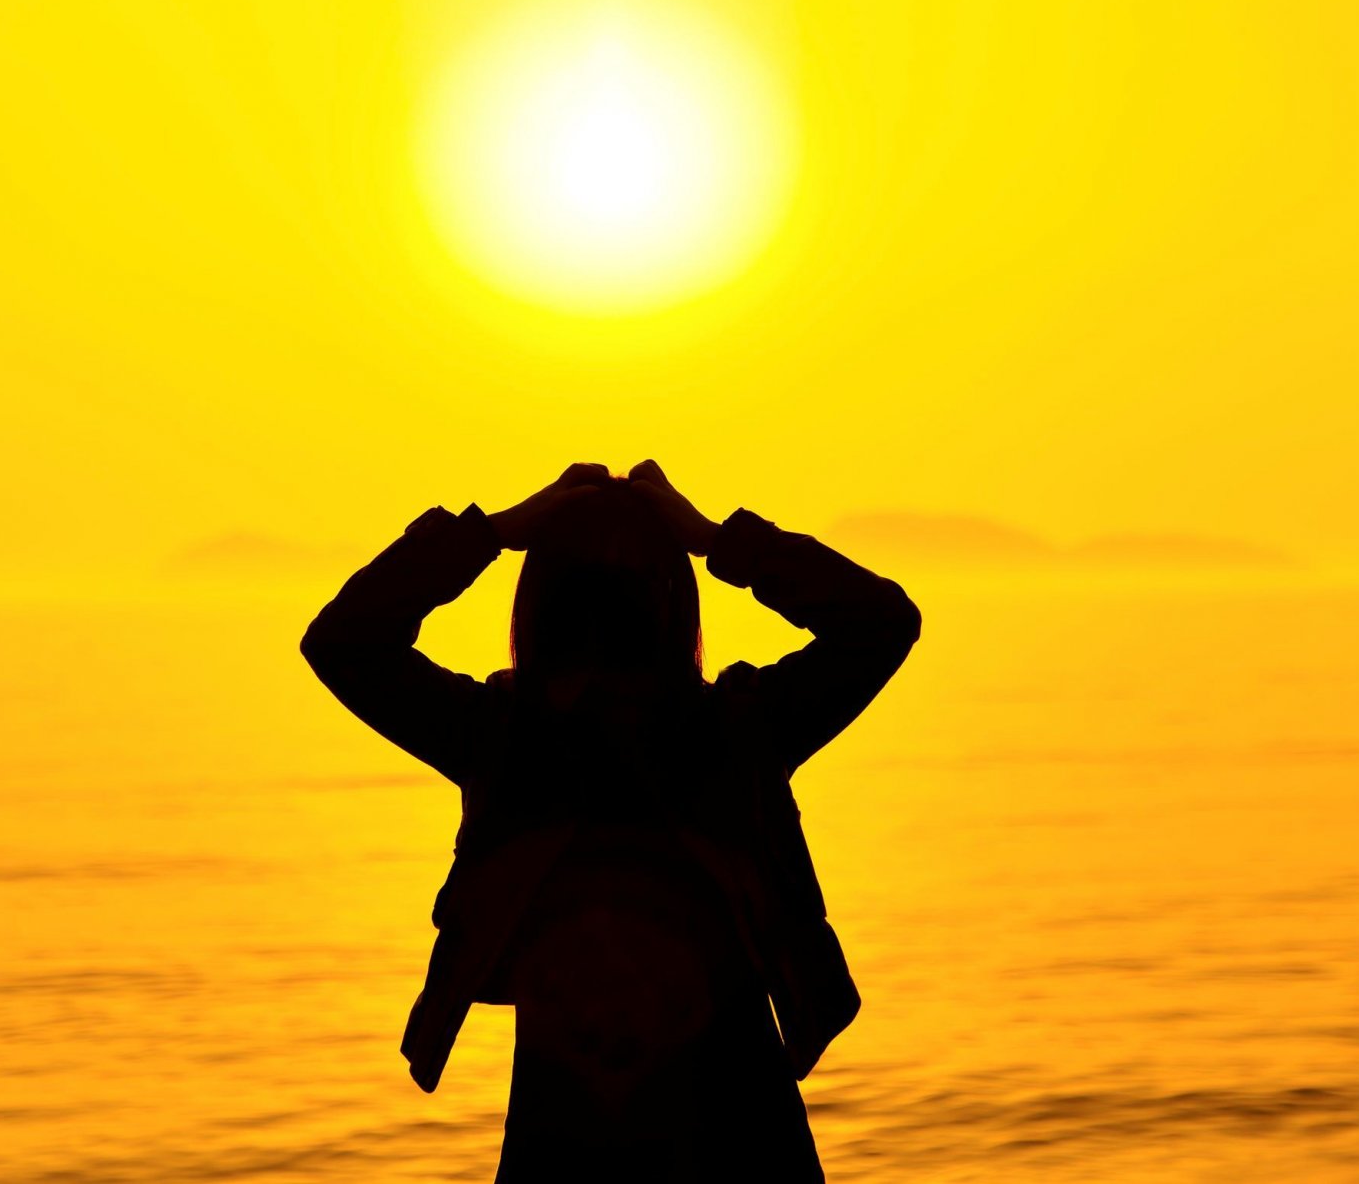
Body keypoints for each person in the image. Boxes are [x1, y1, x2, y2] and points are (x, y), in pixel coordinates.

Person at [300, 461, 921, 1182]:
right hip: (729, 1140)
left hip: (578, 1141)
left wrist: (496, 532)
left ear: (536, 610)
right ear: (676, 606)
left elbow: (345, 641)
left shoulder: (505, 740)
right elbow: (879, 624)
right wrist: (715, 539)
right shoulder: (733, 729)